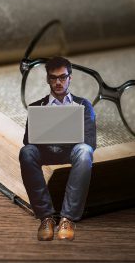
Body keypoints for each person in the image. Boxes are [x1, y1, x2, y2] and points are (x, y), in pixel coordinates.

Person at [19, 56, 96, 241]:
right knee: (26, 152)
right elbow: (28, 140)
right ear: (47, 79)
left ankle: (67, 218)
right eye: (53, 78)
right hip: (46, 151)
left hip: (73, 151)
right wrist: (47, 133)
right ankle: (46, 217)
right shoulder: (37, 106)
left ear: (70, 77)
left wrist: (63, 135)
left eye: (62, 77)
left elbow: (91, 141)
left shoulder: (84, 105)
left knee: (85, 152)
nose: (58, 82)